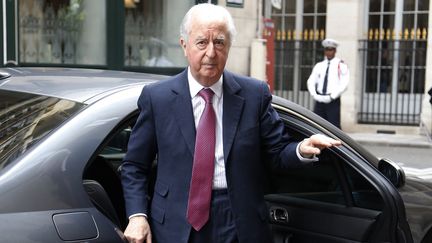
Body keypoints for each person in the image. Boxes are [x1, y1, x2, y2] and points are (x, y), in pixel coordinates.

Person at [121, 4, 341, 243]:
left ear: (229, 46)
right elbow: (134, 166)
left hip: (238, 220)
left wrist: (302, 148)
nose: (211, 53)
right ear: (184, 45)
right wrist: (137, 216)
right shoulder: (158, 98)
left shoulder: (254, 95)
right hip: (175, 221)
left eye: (219, 42)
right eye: (202, 42)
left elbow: (277, 152)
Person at [307, 38, 350, 129]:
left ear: (335, 51)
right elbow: (311, 81)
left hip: (332, 100)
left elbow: (344, 83)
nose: (328, 52)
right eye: (327, 49)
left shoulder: (341, 65)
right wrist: (314, 95)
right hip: (319, 99)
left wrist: (332, 96)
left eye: (331, 50)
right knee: (317, 125)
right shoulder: (319, 65)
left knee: (334, 127)